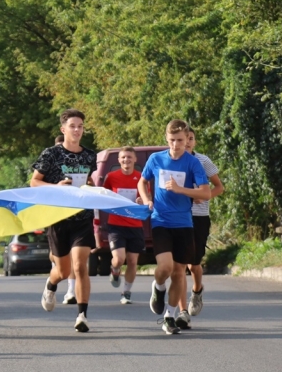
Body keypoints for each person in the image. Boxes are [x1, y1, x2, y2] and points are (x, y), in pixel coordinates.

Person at [137, 120, 210, 334]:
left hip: (184, 223)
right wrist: (147, 198)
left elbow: (205, 192)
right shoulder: (156, 159)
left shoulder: (192, 163)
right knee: (165, 267)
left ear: (187, 139)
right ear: (166, 139)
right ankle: (158, 287)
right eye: (172, 140)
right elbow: (142, 181)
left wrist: (181, 190)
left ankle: (169, 315)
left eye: (180, 140)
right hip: (161, 220)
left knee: (179, 272)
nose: (176, 145)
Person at [31, 109, 97, 332]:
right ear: (63, 129)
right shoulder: (51, 154)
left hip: (82, 217)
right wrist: (56, 186)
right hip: (58, 218)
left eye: (80, 126)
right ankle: (51, 285)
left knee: (80, 266)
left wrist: (92, 189)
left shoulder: (90, 156)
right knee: (63, 271)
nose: (77, 130)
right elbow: (34, 183)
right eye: (72, 126)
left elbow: (90, 181)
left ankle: (82, 315)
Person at [175, 128, 224, 327]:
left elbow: (219, 187)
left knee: (193, 265)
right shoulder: (172, 161)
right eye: (183, 138)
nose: (187, 142)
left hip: (199, 217)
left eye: (191, 138)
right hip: (177, 216)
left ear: (194, 141)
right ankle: (182, 312)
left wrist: (204, 196)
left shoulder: (203, 161)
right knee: (179, 266)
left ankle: (196, 292)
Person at [102, 147, 144, 305]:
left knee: (133, 261)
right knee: (119, 259)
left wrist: (141, 201)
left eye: (129, 157)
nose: (126, 160)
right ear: (119, 160)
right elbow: (104, 195)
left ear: (135, 160)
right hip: (116, 225)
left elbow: (146, 197)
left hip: (135, 225)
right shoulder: (111, 177)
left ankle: (126, 292)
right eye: (123, 158)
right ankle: (115, 270)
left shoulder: (140, 177)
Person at [47, 134, 77, 305]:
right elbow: (36, 185)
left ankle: (71, 291)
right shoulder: (49, 167)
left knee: (75, 257)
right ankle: (55, 275)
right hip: (55, 217)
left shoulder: (76, 165)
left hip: (75, 217)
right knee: (55, 256)